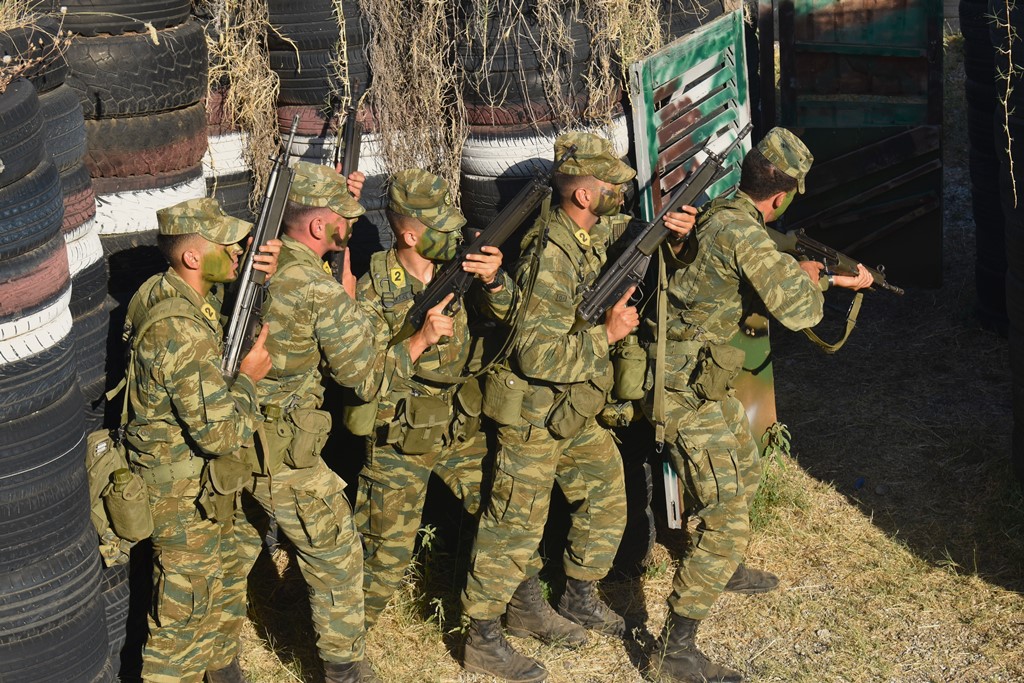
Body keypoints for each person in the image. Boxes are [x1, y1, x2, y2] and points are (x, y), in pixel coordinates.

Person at [459, 132, 697, 682]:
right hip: (532, 415)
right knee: (512, 527)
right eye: (611, 186)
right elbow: (536, 354)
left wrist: (674, 231)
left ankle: (577, 596)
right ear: (584, 196)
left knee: (606, 490)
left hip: (567, 410)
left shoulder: (585, 232)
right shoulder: (551, 256)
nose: (621, 192)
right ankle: (482, 638)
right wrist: (606, 336)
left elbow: (631, 233)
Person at [642, 127, 873, 683]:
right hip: (682, 388)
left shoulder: (721, 211)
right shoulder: (745, 234)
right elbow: (800, 313)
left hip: (697, 375)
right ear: (783, 196)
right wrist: (821, 280)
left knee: (742, 469)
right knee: (725, 517)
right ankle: (673, 651)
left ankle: (721, 568)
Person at [350, 168, 514, 635]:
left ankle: (508, 614)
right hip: (400, 436)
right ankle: (347, 649)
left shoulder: (456, 269)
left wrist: (495, 281)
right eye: (440, 226)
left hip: (459, 426)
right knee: (385, 556)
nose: (453, 234)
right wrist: (418, 341)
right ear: (409, 235)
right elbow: (362, 375)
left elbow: (512, 317)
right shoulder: (372, 289)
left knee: (506, 511)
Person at [122, 197, 278, 683]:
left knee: (221, 586)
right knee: (182, 624)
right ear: (192, 256)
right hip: (181, 498)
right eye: (225, 245)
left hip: (197, 487)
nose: (237, 250)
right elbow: (221, 434)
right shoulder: (180, 331)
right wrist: (249, 380)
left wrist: (259, 279)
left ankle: (221, 671)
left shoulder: (163, 291)